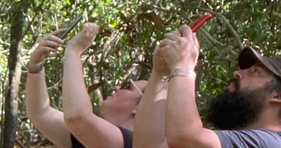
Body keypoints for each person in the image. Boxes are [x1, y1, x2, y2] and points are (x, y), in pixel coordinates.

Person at [149, 24, 281, 148]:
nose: (237, 73)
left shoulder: (272, 143)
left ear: (277, 95)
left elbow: (184, 137)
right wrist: (160, 74)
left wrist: (183, 66)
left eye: (255, 72)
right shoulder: (232, 140)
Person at [25, 23, 147, 148]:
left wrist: (74, 50)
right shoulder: (86, 137)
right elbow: (40, 112)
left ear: (140, 109)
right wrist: (36, 65)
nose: (117, 87)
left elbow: (77, 117)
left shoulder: (132, 143)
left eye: (127, 86)